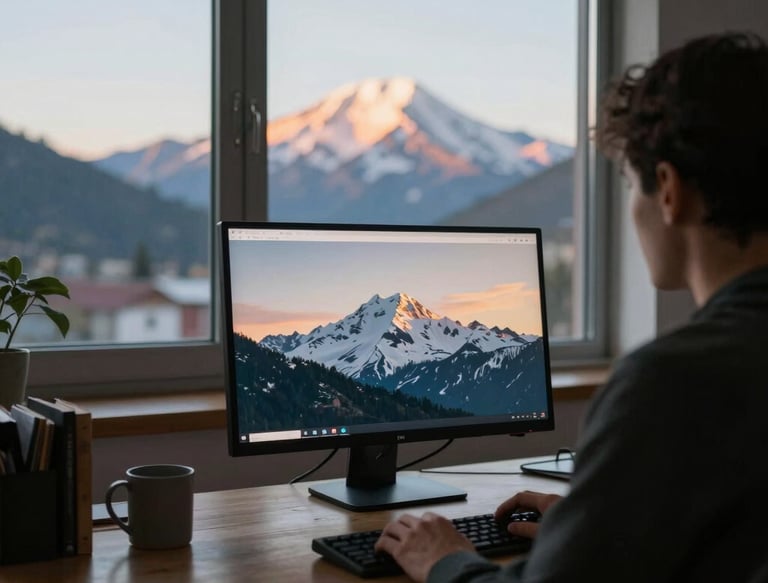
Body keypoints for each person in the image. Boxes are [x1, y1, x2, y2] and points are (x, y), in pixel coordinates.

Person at [374, 31, 768, 583]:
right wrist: (596, 528)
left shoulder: (675, 381)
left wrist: (444, 561)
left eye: (630, 183)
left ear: (668, 189)